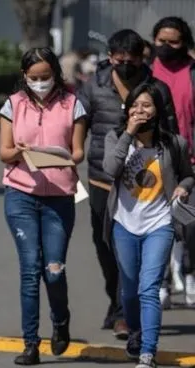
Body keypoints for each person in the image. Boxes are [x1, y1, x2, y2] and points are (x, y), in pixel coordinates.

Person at [79, 28, 178, 337]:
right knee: (104, 247)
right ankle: (117, 300)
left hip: (145, 185)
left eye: (131, 60)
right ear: (110, 58)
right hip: (101, 180)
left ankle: (124, 313)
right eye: (119, 60)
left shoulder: (157, 89)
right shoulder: (94, 88)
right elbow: (80, 126)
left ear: (141, 58)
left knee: (130, 250)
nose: (125, 65)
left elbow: (172, 130)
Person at [0, 47, 87, 366]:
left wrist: (62, 157)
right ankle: (31, 344)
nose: (40, 83)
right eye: (33, 78)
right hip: (21, 193)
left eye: (45, 77)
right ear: (24, 77)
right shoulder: (12, 105)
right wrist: (21, 152)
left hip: (60, 196)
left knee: (53, 270)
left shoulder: (72, 104)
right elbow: (4, 152)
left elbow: (78, 152)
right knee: (30, 269)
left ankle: (60, 320)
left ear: (56, 75)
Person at [102, 82, 193, 368]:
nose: (140, 111)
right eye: (135, 106)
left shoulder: (174, 143)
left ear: (158, 110)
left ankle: (148, 352)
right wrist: (128, 133)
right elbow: (110, 169)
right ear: (127, 110)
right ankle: (137, 333)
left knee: (149, 289)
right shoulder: (116, 137)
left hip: (160, 224)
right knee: (129, 292)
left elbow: (189, 176)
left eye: (147, 105)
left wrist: (182, 187)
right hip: (124, 225)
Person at [151, 16, 195, 306]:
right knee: (158, 225)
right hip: (152, 160)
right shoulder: (147, 71)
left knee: (190, 224)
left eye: (173, 42)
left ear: (185, 42)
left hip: (189, 159)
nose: (166, 47)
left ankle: (189, 272)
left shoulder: (193, 72)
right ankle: (164, 280)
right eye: (161, 41)